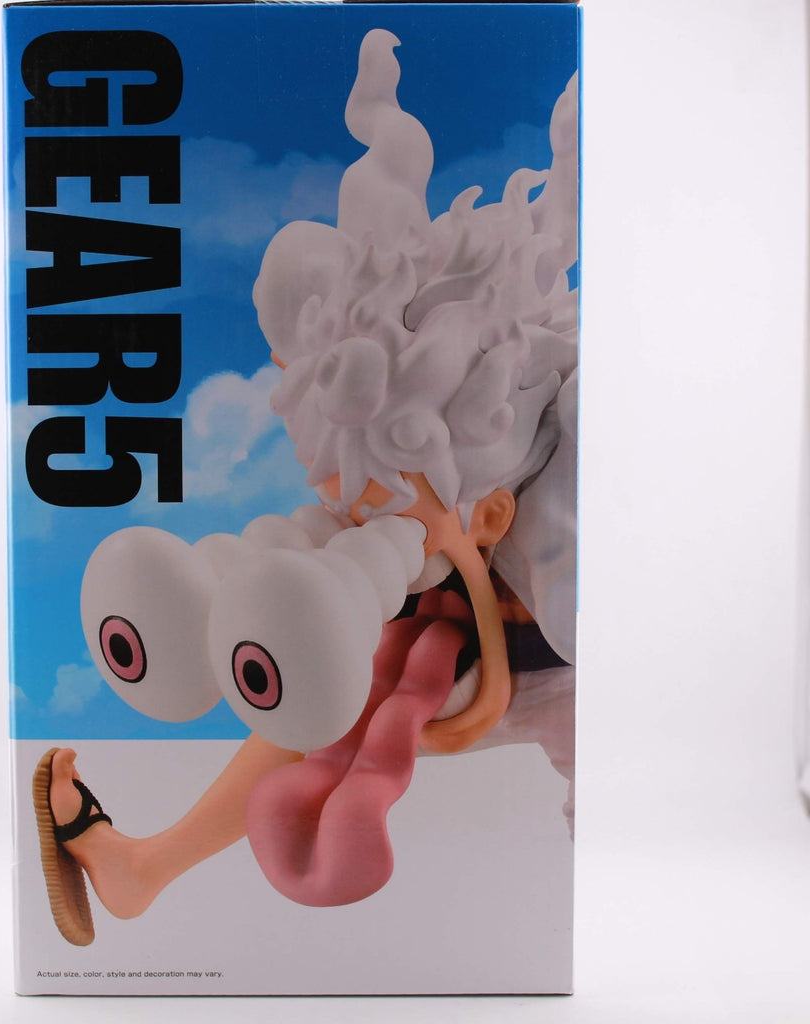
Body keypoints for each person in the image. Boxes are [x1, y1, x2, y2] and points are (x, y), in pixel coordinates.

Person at [35, 28, 578, 944]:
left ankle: (595, 923)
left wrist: (466, 569)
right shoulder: (419, 484)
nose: (347, 510)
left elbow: (539, 644)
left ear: (489, 512)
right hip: (456, 641)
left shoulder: (560, 520)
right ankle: (139, 872)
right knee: (314, 676)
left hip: (555, 668)